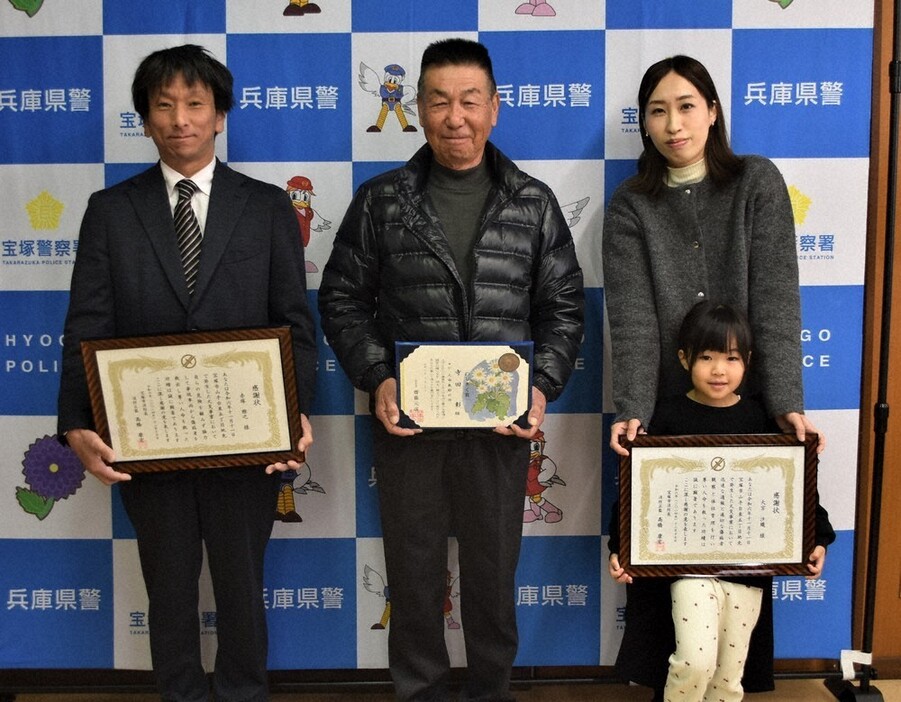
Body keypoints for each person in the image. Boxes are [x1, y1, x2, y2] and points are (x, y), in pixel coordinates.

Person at [318, 38, 584, 702]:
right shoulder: (382, 200)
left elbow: (563, 307)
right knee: (412, 578)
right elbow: (342, 298)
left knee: (494, 580)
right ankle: (420, 692)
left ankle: (492, 690)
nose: (455, 116)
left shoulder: (531, 201)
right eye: (438, 101)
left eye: (470, 101)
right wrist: (378, 376)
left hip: (499, 432)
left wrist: (541, 385)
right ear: (417, 108)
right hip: (409, 429)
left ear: (494, 108)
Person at [57, 44, 316, 702]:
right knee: (167, 590)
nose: (180, 119)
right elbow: (85, 324)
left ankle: (242, 693)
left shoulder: (264, 208)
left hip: (245, 444)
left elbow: (294, 321)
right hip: (148, 442)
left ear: (220, 115)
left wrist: (293, 415)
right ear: (145, 119)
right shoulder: (111, 210)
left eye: (195, 104)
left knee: (240, 588)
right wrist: (75, 425)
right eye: (164, 105)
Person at [607, 301, 835, 701]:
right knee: (693, 661)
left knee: (729, 677)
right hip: (685, 569)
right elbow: (636, 489)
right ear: (683, 359)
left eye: (730, 358)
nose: (718, 370)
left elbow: (794, 490)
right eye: (706, 357)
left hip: (746, 570)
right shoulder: (664, 418)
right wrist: (620, 547)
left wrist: (818, 538)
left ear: (747, 361)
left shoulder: (762, 420)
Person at [602, 55, 824, 458]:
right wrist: (634, 408)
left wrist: (786, 403)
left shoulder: (756, 182)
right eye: (657, 111)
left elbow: (776, 300)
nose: (673, 125)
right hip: (671, 414)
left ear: (712, 112)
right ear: (645, 125)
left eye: (686, 106)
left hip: (752, 410)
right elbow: (632, 319)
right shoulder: (630, 204)